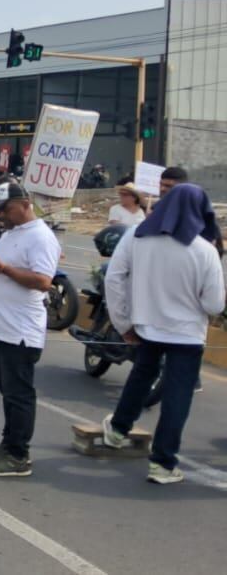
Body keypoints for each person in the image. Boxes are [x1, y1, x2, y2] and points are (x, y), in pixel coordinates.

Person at [100, 183, 225, 485]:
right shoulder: (205, 250)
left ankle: (117, 431)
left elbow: (114, 279)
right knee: (177, 396)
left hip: (146, 328)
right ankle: (163, 463)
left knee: (141, 375)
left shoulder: (137, 236)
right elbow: (214, 304)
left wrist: (123, 323)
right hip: (187, 335)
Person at [0, 181, 59, 477]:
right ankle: (8, 444)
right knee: (5, 387)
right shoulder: (12, 233)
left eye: (5, 209)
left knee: (19, 393)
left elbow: (43, 281)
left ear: (25, 204)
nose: (0, 216)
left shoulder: (41, 238)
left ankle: (19, 456)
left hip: (19, 328)